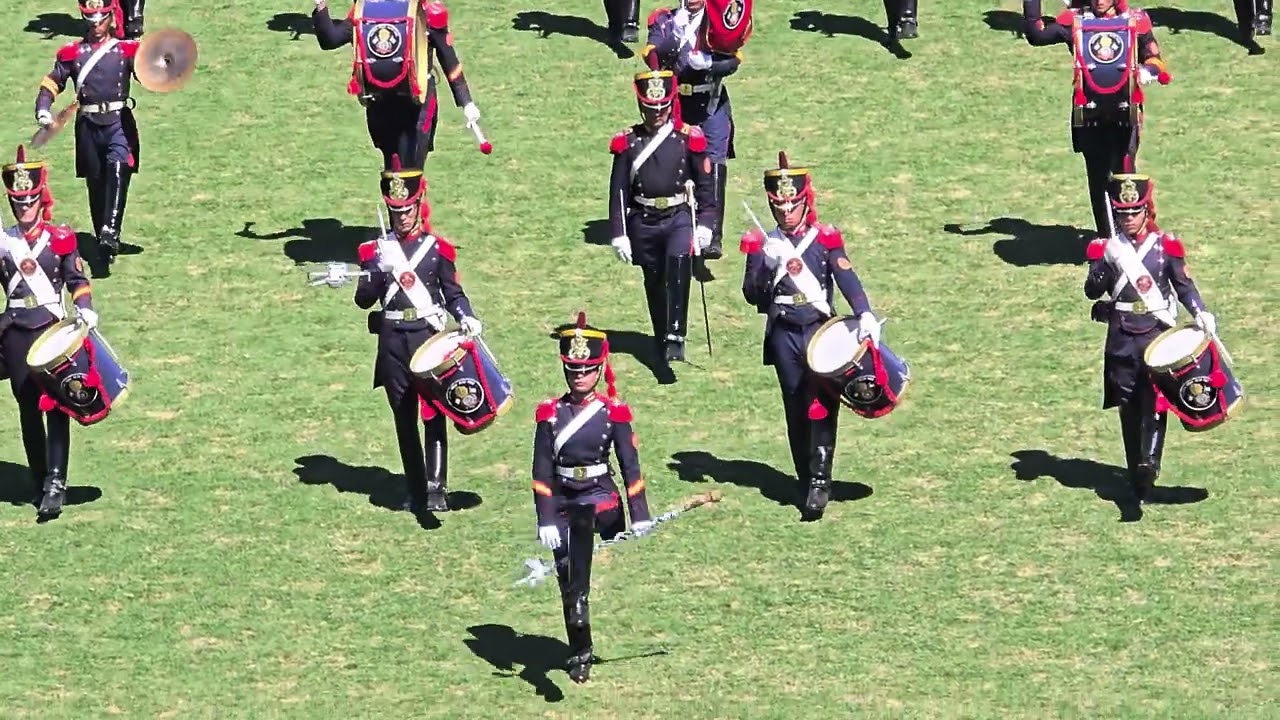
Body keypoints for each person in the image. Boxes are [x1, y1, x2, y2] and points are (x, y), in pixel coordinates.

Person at [739, 152, 881, 520]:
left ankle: (820, 480)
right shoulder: (766, 243)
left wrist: (864, 311)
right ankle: (804, 475)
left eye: (792, 204)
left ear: (805, 201)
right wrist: (762, 262)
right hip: (785, 331)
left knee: (822, 404)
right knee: (794, 406)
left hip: (818, 330)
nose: (786, 212)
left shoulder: (824, 238)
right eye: (779, 206)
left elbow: (845, 275)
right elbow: (753, 296)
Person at [353, 155, 484, 514]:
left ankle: (436, 486)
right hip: (393, 338)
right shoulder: (376, 251)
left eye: (408, 209)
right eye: (396, 211)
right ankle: (415, 488)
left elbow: (452, 292)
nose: (402, 217)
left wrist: (466, 316)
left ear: (418, 205)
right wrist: (378, 270)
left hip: (426, 336)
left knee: (434, 411)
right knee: (403, 415)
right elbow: (363, 300)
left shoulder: (436, 250)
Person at [530, 312, 653, 684]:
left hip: (600, 500)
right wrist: (546, 518)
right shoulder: (550, 415)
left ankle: (580, 629)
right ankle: (580, 647)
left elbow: (630, 466)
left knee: (577, 569)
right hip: (564, 502)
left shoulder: (612, 412)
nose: (579, 376)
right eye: (573, 370)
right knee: (567, 581)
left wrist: (640, 514)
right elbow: (542, 473)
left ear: (598, 369)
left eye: (585, 370)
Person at [1083, 173, 1216, 501]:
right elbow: (1092, 290)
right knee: (1127, 405)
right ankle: (1135, 474)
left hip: (1156, 333)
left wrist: (1199, 311)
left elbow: (1183, 286)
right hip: (1122, 335)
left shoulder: (1165, 246)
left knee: (1156, 399)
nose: (1128, 219)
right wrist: (1103, 264)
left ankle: (1149, 464)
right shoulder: (1107, 248)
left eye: (1134, 212)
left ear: (1147, 211)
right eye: (1122, 213)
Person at [0, 146, 98, 519]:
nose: (23, 208)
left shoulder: (59, 237)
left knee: (58, 406)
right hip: (15, 331)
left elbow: (76, 278)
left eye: (28, 201)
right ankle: (39, 477)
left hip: (53, 330)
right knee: (27, 408)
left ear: (40, 199)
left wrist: (85, 306)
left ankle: (57, 482)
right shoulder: (3, 241)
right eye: (17, 202)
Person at [1021, 0, 1170, 238]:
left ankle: (1135, 238)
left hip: (1124, 115)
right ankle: (1108, 239)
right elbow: (1037, 35)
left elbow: (1155, 59)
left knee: (1125, 176)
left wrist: (1148, 72)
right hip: (1090, 114)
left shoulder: (1135, 20)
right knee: (1098, 180)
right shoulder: (1075, 21)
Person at [608, 70, 716, 367]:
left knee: (679, 264)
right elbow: (618, 190)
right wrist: (619, 233)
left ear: (670, 106)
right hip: (643, 220)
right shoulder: (628, 143)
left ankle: (676, 336)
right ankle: (661, 335)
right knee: (654, 281)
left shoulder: (687, 138)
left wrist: (706, 225)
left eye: (661, 108)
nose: (655, 114)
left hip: (678, 214)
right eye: (649, 108)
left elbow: (707, 186)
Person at [311, 0, 482, 170]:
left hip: (418, 106)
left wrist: (467, 102)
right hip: (381, 106)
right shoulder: (364, 11)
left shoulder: (424, 11)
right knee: (392, 172)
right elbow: (330, 40)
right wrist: (320, 6)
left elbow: (448, 57)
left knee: (411, 172)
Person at [35, 0, 143, 265]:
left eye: (101, 19)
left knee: (118, 167)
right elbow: (53, 82)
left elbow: (151, 69)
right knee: (96, 182)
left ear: (110, 17)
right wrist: (43, 109)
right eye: (91, 19)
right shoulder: (72, 53)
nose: (96, 25)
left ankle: (111, 231)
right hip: (88, 125)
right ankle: (101, 237)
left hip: (118, 120)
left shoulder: (126, 50)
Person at [642, 0, 741, 259]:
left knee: (714, 163)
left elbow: (733, 61)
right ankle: (677, 228)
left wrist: (709, 64)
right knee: (676, 164)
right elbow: (653, 60)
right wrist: (675, 35)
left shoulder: (718, 19)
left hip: (710, 102)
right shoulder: (663, 19)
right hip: (675, 105)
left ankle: (712, 235)